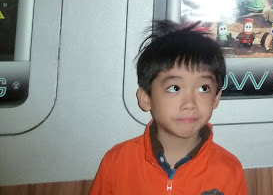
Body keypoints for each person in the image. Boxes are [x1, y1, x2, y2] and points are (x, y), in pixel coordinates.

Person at [89, 20, 247, 195]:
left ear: (216, 98)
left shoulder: (229, 169)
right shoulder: (117, 161)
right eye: (174, 88)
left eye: (203, 88)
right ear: (146, 98)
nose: (190, 104)